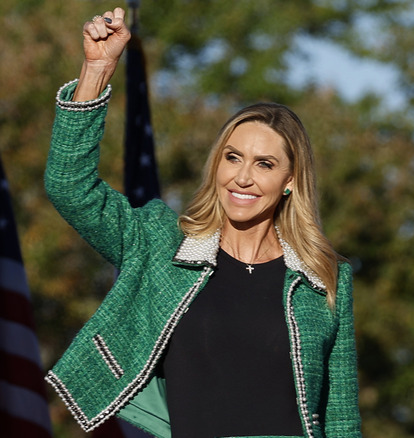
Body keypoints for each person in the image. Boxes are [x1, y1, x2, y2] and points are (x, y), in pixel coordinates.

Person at [44, 8, 361, 438]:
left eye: (264, 164)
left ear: (290, 181)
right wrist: (96, 71)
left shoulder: (325, 276)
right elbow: (69, 187)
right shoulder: (161, 243)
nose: (243, 177)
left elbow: (341, 417)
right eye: (233, 158)